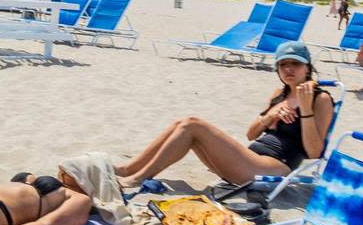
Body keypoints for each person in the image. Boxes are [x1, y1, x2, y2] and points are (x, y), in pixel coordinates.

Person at [114, 41, 334, 187]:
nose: (288, 70)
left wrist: (305, 110)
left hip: (272, 168)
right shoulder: (280, 93)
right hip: (245, 161)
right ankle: (128, 169)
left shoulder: (320, 99)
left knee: (192, 124)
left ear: (307, 67)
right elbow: (250, 135)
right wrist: (270, 116)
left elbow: (315, 153)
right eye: (282, 65)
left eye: (295, 64)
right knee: (180, 123)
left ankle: (138, 178)